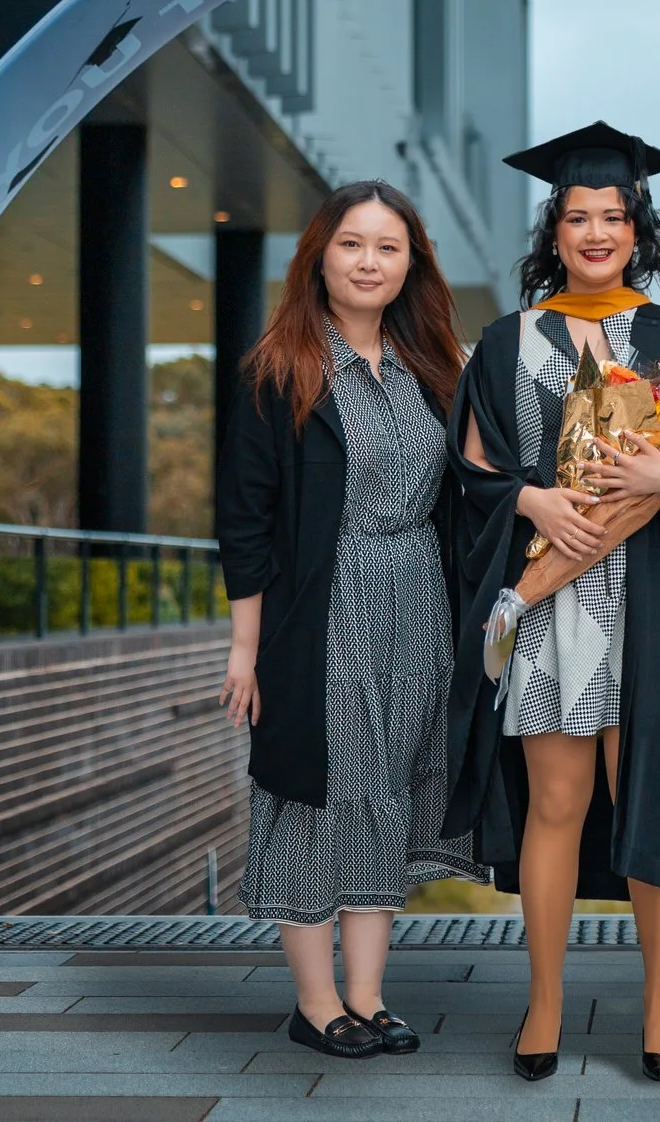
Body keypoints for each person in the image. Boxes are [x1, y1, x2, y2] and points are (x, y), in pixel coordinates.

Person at [445, 121, 660, 1086]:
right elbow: (470, 470)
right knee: (557, 800)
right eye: (578, 216)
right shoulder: (507, 340)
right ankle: (544, 1001)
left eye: (613, 216)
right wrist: (533, 497)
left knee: (650, 791)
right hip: (551, 600)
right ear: (554, 230)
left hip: (655, 599)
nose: (596, 232)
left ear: (639, 230)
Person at [217, 181, 482, 1060]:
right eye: (352, 244)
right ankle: (315, 1000)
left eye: (389, 247)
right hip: (320, 613)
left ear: (412, 264)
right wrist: (246, 648)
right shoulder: (280, 368)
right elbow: (245, 519)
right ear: (320, 256)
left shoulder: (432, 367)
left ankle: (368, 995)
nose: (370, 261)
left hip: (418, 608)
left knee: (388, 794)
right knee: (314, 800)